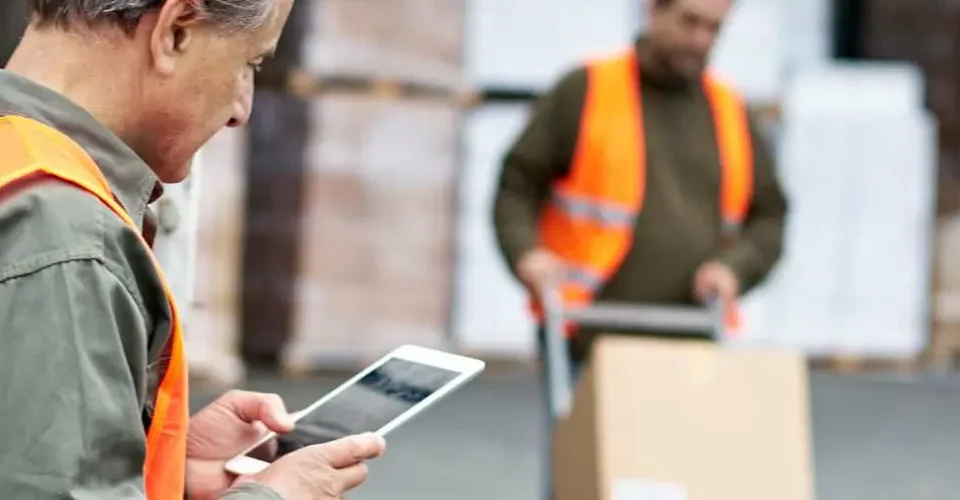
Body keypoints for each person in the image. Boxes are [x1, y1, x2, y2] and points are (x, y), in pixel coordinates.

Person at [0, 1, 385, 499]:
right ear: (176, 30)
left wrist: (157, 459)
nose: (241, 110)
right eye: (251, 63)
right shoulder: (68, 242)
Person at [494, 0, 787, 372]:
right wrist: (527, 254)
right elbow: (517, 185)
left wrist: (734, 269)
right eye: (689, 22)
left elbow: (769, 216)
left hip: (691, 341)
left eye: (714, 29)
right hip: (586, 338)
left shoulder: (729, 110)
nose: (700, 39)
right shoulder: (587, 90)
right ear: (654, 11)